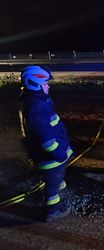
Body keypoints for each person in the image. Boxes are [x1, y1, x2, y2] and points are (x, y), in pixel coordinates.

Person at [20, 65, 73, 222]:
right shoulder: (36, 106)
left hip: (50, 157)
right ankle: (52, 210)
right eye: (45, 83)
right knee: (52, 186)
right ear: (35, 84)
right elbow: (46, 139)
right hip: (50, 158)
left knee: (55, 178)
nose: (48, 86)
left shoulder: (37, 101)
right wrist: (59, 154)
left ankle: (55, 183)